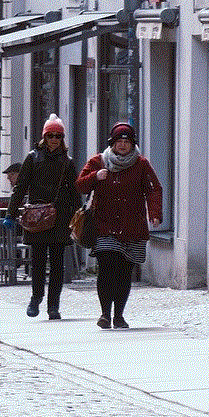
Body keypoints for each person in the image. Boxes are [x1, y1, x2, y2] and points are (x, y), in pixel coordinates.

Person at [75, 121, 162, 330]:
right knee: (107, 267)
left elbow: (153, 189)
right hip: (105, 224)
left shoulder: (141, 164)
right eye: (119, 141)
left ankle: (119, 315)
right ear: (112, 143)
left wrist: (155, 213)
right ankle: (105, 313)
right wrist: (95, 176)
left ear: (133, 144)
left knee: (124, 271)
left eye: (127, 141)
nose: (123, 145)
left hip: (133, 226)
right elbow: (80, 184)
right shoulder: (98, 161)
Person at [3, 115, 80, 320]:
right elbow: (20, 187)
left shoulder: (67, 162)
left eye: (58, 135)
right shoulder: (33, 157)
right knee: (37, 261)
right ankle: (36, 298)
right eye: (50, 135)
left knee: (57, 264)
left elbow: (75, 191)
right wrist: (11, 213)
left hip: (60, 216)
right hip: (37, 216)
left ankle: (53, 306)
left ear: (62, 138)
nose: (54, 139)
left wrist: (80, 216)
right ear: (44, 137)